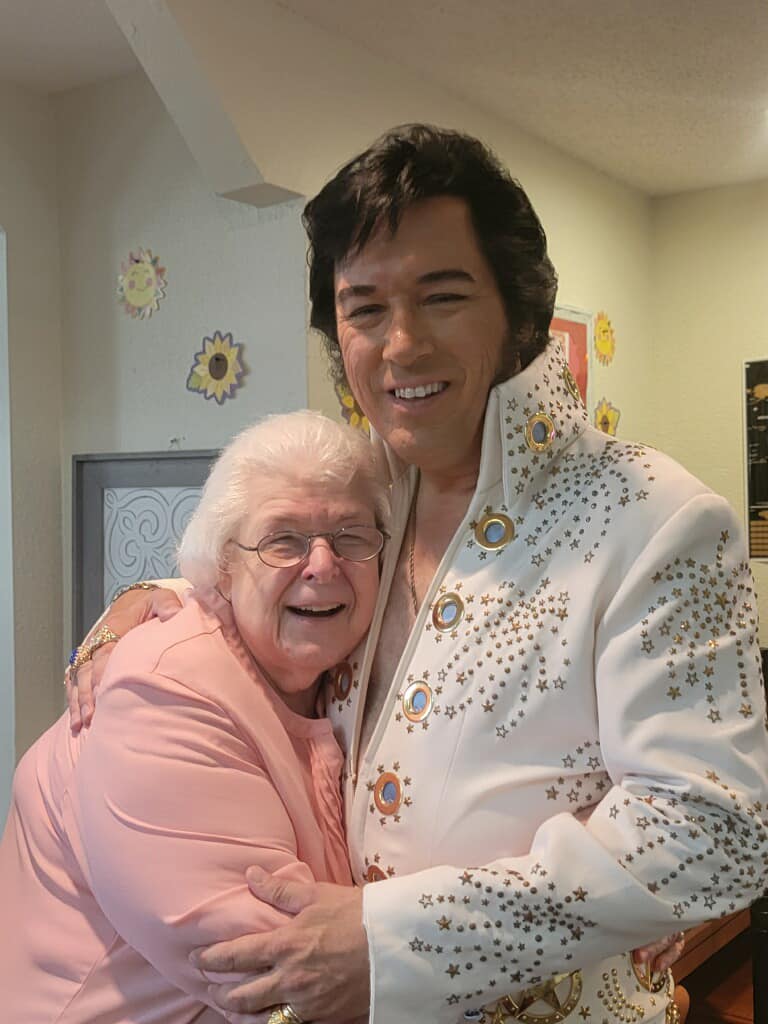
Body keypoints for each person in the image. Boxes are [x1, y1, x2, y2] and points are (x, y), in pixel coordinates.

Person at [69, 125, 768, 1024]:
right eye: (363, 308)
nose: (400, 345)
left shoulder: (655, 518)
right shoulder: (369, 493)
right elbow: (272, 564)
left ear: (516, 311)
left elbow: (715, 835)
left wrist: (395, 937)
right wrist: (156, 599)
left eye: (442, 296)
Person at [0, 410, 389, 1023]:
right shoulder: (162, 694)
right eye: (283, 539)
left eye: (351, 536)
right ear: (223, 568)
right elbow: (281, 975)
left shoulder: (328, 671)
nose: (321, 564)